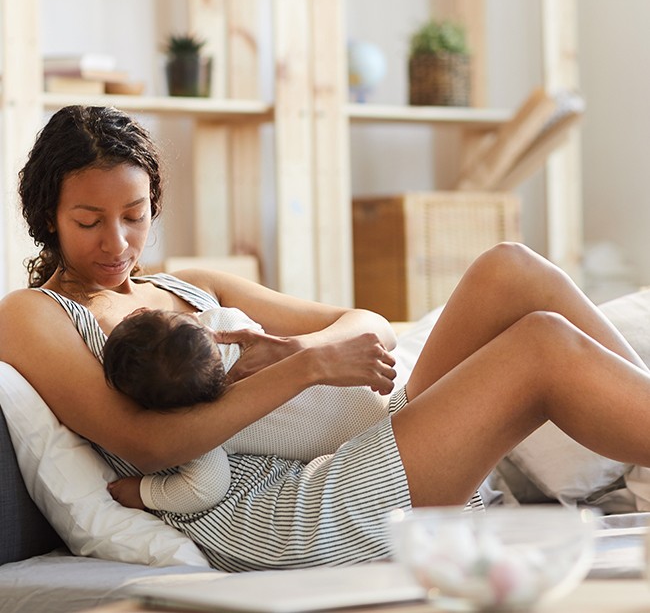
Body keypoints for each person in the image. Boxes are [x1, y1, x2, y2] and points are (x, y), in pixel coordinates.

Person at [2, 105, 650, 572]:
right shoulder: (35, 313)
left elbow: (362, 323)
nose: (116, 242)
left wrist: (298, 352)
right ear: (47, 218)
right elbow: (147, 445)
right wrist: (304, 367)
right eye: (89, 221)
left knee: (510, 268)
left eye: (134, 216)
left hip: (348, 439)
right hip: (273, 501)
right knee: (539, 347)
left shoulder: (190, 283)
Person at [102, 306, 391, 513]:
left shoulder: (204, 431)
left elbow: (204, 489)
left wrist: (142, 492)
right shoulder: (228, 323)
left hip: (372, 443)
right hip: (387, 400)